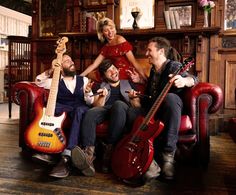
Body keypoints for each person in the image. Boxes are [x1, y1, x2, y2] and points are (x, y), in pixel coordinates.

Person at [71, 59, 160, 181]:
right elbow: (97, 107)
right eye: (108, 71)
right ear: (104, 76)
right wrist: (102, 97)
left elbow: (137, 109)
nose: (113, 72)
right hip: (106, 109)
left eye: (114, 68)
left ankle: (109, 150)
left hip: (123, 109)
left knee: (118, 104)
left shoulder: (129, 84)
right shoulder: (99, 86)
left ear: (118, 69)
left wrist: (133, 99)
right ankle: (88, 156)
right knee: (90, 113)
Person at [128, 37, 198, 180]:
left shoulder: (173, 66)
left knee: (172, 98)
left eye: (149, 50)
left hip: (167, 111)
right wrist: (139, 88)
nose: (147, 53)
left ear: (161, 51)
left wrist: (184, 81)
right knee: (130, 111)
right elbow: (151, 95)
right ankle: (148, 160)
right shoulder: (154, 71)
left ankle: (168, 157)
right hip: (153, 109)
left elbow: (194, 79)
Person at [33, 54, 94, 178]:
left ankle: (66, 155)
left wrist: (87, 93)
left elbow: (90, 102)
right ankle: (47, 148)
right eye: (66, 61)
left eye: (71, 59)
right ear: (60, 68)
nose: (71, 62)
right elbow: (38, 81)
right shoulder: (54, 82)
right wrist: (51, 70)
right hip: (65, 109)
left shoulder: (84, 80)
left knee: (79, 111)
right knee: (51, 108)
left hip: (80, 108)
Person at [80, 17, 146, 81]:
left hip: (124, 72)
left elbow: (133, 62)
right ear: (102, 33)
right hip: (112, 72)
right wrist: (80, 76)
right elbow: (94, 64)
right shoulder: (106, 47)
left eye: (111, 28)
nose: (110, 32)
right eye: (106, 30)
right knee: (91, 75)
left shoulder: (120, 40)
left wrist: (146, 79)